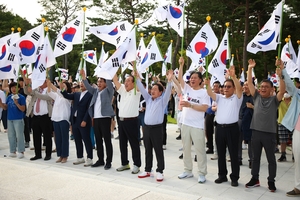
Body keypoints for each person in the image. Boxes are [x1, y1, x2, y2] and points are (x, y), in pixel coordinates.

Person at [245, 59, 285, 192]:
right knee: (255, 158)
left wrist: (280, 74)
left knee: (271, 159)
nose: (262, 88)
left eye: (265, 87)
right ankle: (254, 178)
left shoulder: (274, 100)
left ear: (272, 89)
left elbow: (283, 89)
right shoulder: (256, 97)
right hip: (255, 131)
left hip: (269, 133)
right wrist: (250, 68)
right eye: (261, 86)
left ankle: (271, 181)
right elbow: (250, 83)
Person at [205, 65, 243, 187]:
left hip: (232, 129)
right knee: (221, 154)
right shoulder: (220, 97)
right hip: (220, 128)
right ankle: (222, 175)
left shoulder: (237, 98)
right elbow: (210, 92)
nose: (226, 88)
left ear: (233, 88)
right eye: (224, 86)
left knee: (233, 154)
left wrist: (233, 76)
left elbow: (240, 89)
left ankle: (234, 177)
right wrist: (207, 84)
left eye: (228, 86)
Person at [177, 57, 210, 183]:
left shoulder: (204, 93)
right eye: (191, 78)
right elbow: (180, 78)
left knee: (200, 150)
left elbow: (204, 108)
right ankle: (187, 170)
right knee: (186, 149)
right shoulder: (187, 89)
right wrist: (181, 65)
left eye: (195, 78)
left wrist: (191, 105)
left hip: (197, 125)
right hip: (185, 124)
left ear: (200, 80)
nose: (192, 79)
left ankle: (202, 173)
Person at [135, 70, 173, 181]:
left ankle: (160, 171)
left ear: (160, 92)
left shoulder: (162, 101)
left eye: (156, 89)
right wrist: (137, 78)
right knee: (148, 149)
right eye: (152, 89)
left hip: (157, 129)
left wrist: (169, 81)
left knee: (158, 150)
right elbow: (142, 89)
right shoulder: (148, 99)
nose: (152, 91)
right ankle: (148, 169)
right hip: (147, 128)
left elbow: (168, 92)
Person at [81, 69, 115, 170]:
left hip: (105, 118)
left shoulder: (109, 91)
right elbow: (88, 86)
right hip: (96, 119)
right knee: (98, 140)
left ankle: (108, 161)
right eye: (98, 81)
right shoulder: (95, 91)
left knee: (107, 141)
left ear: (105, 83)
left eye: (101, 81)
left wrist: (106, 70)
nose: (99, 83)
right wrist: (84, 77)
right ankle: (100, 160)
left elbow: (109, 82)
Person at [113, 73, 141, 174]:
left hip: (132, 121)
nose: (126, 82)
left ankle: (137, 164)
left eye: (129, 81)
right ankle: (125, 163)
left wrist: (136, 73)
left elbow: (139, 83)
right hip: (121, 121)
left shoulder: (136, 92)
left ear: (134, 83)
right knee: (122, 144)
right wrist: (113, 67)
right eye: (126, 80)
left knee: (134, 144)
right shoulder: (123, 91)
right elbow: (115, 80)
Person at [279, 59, 300, 196]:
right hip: (299, 130)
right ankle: (298, 187)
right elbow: (290, 87)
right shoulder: (298, 93)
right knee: (298, 158)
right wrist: (283, 71)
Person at [61, 80, 93, 167]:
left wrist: (85, 120)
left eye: (83, 83)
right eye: (81, 83)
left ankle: (90, 158)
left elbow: (89, 109)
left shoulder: (90, 95)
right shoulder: (77, 94)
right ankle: (80, 157)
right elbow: (67, 95)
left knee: (86, 140)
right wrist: (62, 89)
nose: (82, 84)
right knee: (77, 139)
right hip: (75, 120)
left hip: (83, 121)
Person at [24, 80, 53, 161]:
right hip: (35, 116)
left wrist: (35, 93)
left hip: (46, 117)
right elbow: (27, 92)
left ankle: (48, 154)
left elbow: (46, 97)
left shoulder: (50, 90)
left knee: (47, 136)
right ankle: (38, 154)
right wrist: (27, 84)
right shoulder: (36, 89)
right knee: (36, 136)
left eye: (42, 82)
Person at [46, 79, 72, 163]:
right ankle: (60, 155)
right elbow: (49, 93)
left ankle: (65, 155)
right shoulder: (57, 96)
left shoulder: (68, 96)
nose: (62, 86)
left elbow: (59, 91)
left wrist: (55, 86)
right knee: (58, 138)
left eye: (64, 85)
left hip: (63, 119)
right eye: (61, 85)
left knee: (64, 138)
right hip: (55, 118)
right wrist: (48, 85)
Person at [0, 82, 26, 158]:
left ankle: (21, 151)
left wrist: (17, 103)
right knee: (11, 135)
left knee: (19, 135)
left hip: (18, 119)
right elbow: (5, 108)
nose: (13, 89)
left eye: (15, 87)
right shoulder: (9, 97)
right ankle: (12, 151)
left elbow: (23, 109)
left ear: (18, 88)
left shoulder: (21, 97)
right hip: (10, 119)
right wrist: (1, 103)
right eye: (12, 88)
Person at [239, 82, 254, 168]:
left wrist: (252, 107)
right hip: (240, 120)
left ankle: (251, 160)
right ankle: (238, 159)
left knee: (251, 142)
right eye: (244, 85)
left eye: (247, 85)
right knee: (238, 140)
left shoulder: (255, 97)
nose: (245, 87)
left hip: (251, 121)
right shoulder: (241, 96)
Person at [205, 81, 220, 154]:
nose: (215, 87)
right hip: (209, 113)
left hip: (216, 115)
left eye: (217, 86)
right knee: (208, 131)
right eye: (214, 86)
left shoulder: (220, 96)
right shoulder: (210, 95)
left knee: (216, 133)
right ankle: (210, 147)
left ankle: (216, 149)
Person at [277, 92, 292, 162]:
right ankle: (283, 155)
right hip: (282, 122)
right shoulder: (280, 101)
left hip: (292, 123)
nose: (286, 93)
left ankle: (294, 155)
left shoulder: (294, 101)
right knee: (283, 141)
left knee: (293, 140)